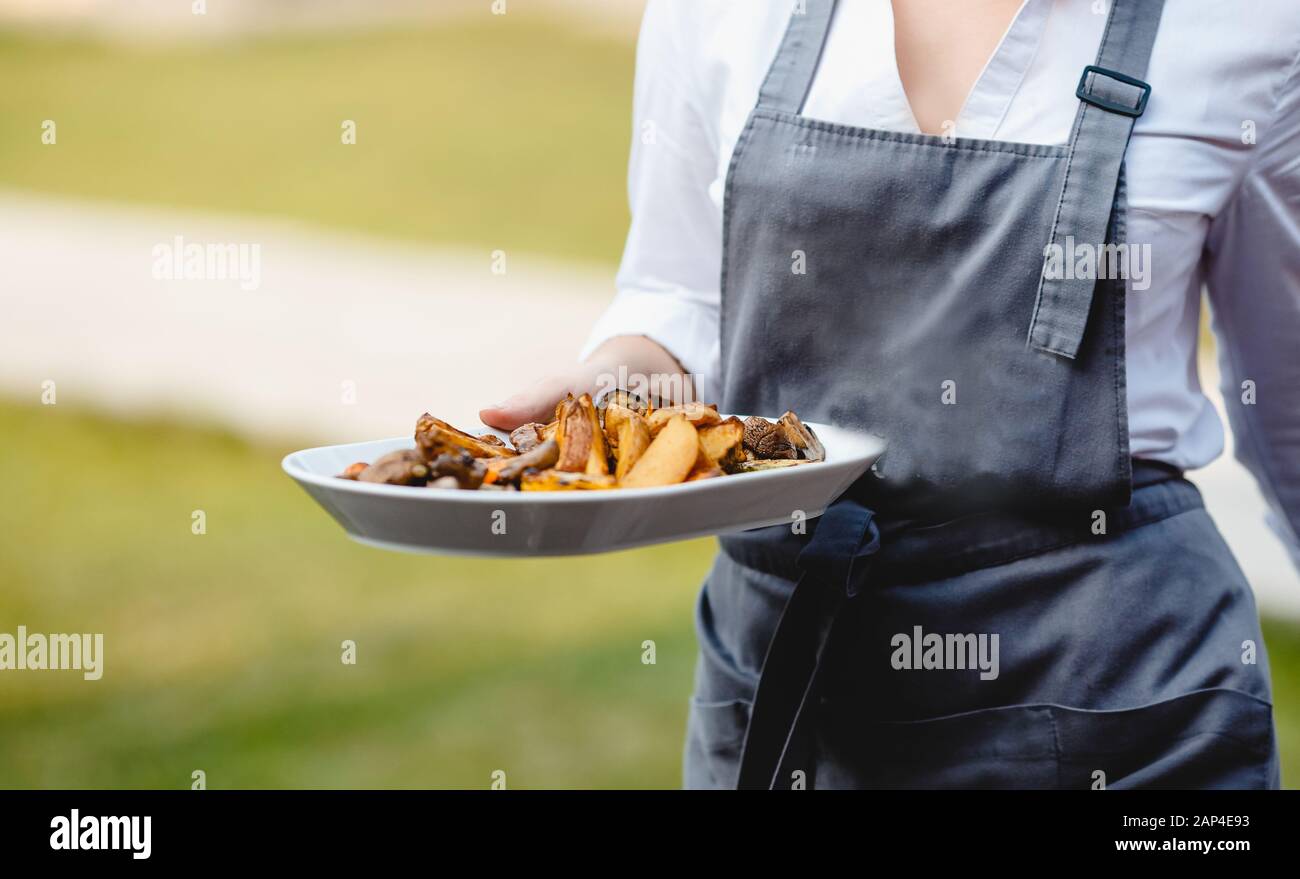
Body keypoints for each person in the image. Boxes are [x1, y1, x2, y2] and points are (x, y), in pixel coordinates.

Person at [482, 0, 1300, 789]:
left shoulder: (1249, 21)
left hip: (1123, 702)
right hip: (789, 687)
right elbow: (679, 297)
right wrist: (611, 388)